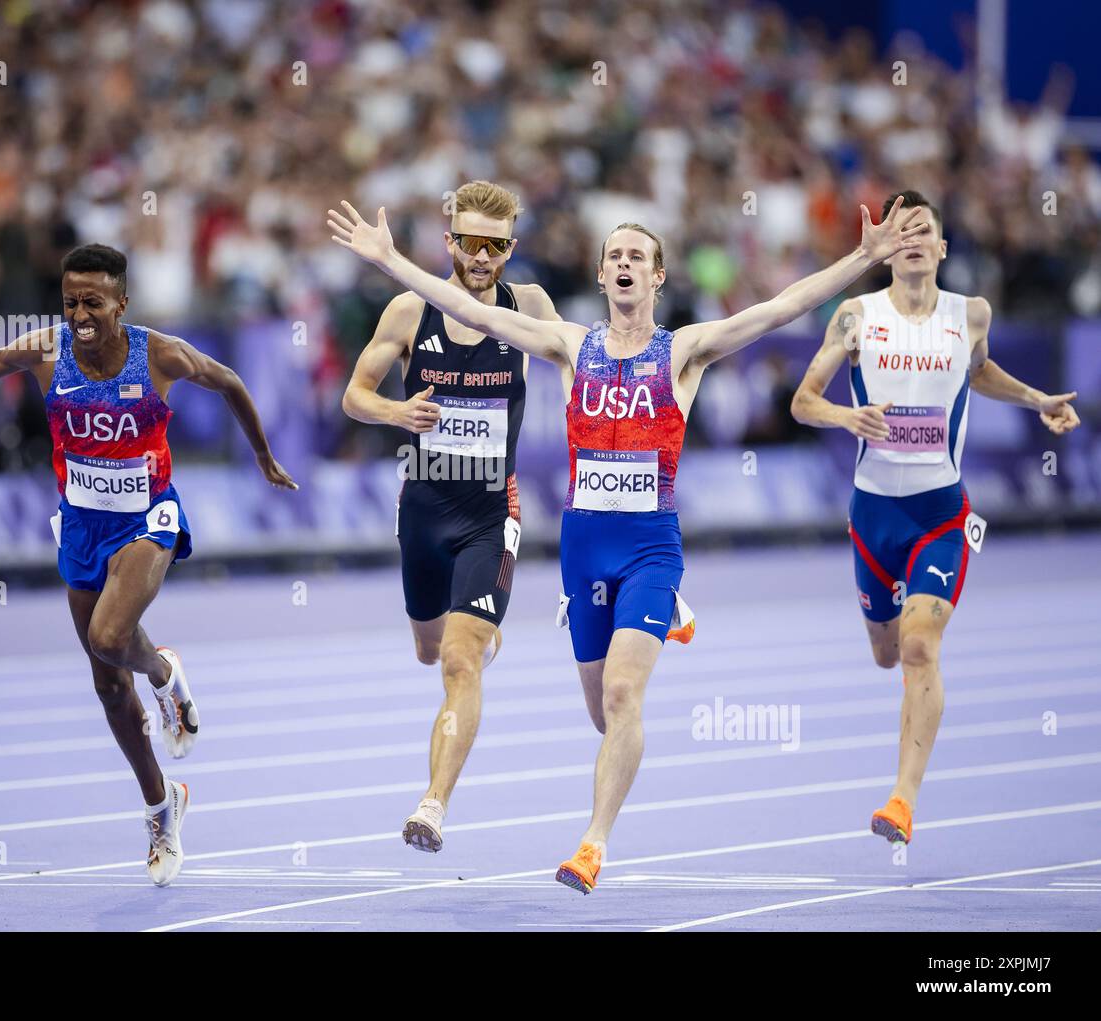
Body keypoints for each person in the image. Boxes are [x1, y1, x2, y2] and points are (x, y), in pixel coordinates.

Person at [328, 195, 930, 893]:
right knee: (599, 714)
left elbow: (776, 309)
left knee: (621, 694)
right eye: (613, 254)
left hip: (650, 544)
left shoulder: (684, 350)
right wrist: (390, 260)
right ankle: (662, 623)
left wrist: (861, 258)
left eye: (636, 257)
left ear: (657, 278)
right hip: (585, 546)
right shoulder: (567, 345)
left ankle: (592, 843)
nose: (623, 264)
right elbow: (472, 310)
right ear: (601, 270)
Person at [0, 243, 297, 886]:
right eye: (71, 300)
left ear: (121, 305)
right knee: (107, 687)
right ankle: (163, 805)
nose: (80, 314)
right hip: (80, 525)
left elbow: (232, 383)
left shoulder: (158, 354)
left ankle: (160, 673)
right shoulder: (46, 350)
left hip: (147, 518)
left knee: (109, 638)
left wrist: (264, 458)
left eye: (94, 302)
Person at [790, 190, 1080, 845]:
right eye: (903, 229)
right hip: (872, 515)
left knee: (921, 647)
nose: (915, 236)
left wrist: (1036, 400)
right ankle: (886, 625)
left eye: (926, 228)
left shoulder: (971, 314)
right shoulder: (855, 315)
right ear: (888, 245)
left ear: (943, 248)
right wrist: (845, 415)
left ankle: (901, 799)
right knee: (887, 652)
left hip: (940, 514)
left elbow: (978, 372)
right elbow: (803, 400)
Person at [341, 181, 562, 852]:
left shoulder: (529, 307)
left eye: (496, 246)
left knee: (459, 661)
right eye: (470, 243)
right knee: (429, 648)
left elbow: (577, 360)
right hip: (424, 509)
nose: (482, 256)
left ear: (510, 249)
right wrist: (396, 412)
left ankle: (433, 804)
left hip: (492, 511)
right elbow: (354, 395)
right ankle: (482, 629)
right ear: (450, 244)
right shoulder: (410, 312)